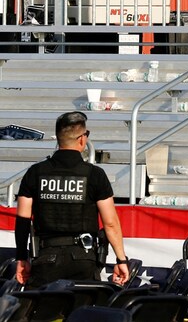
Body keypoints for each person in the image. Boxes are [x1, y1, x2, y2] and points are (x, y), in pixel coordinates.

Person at [15, 111, 130, 287]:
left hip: (46, 259)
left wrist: (22, 258)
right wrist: (121, 260)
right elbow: (111, 223)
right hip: (83, 260)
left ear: (59, 139)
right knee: (83, 312)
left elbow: (22, 221)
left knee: (43, 313)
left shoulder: (35, 172)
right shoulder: (95, 175)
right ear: (82, 139)